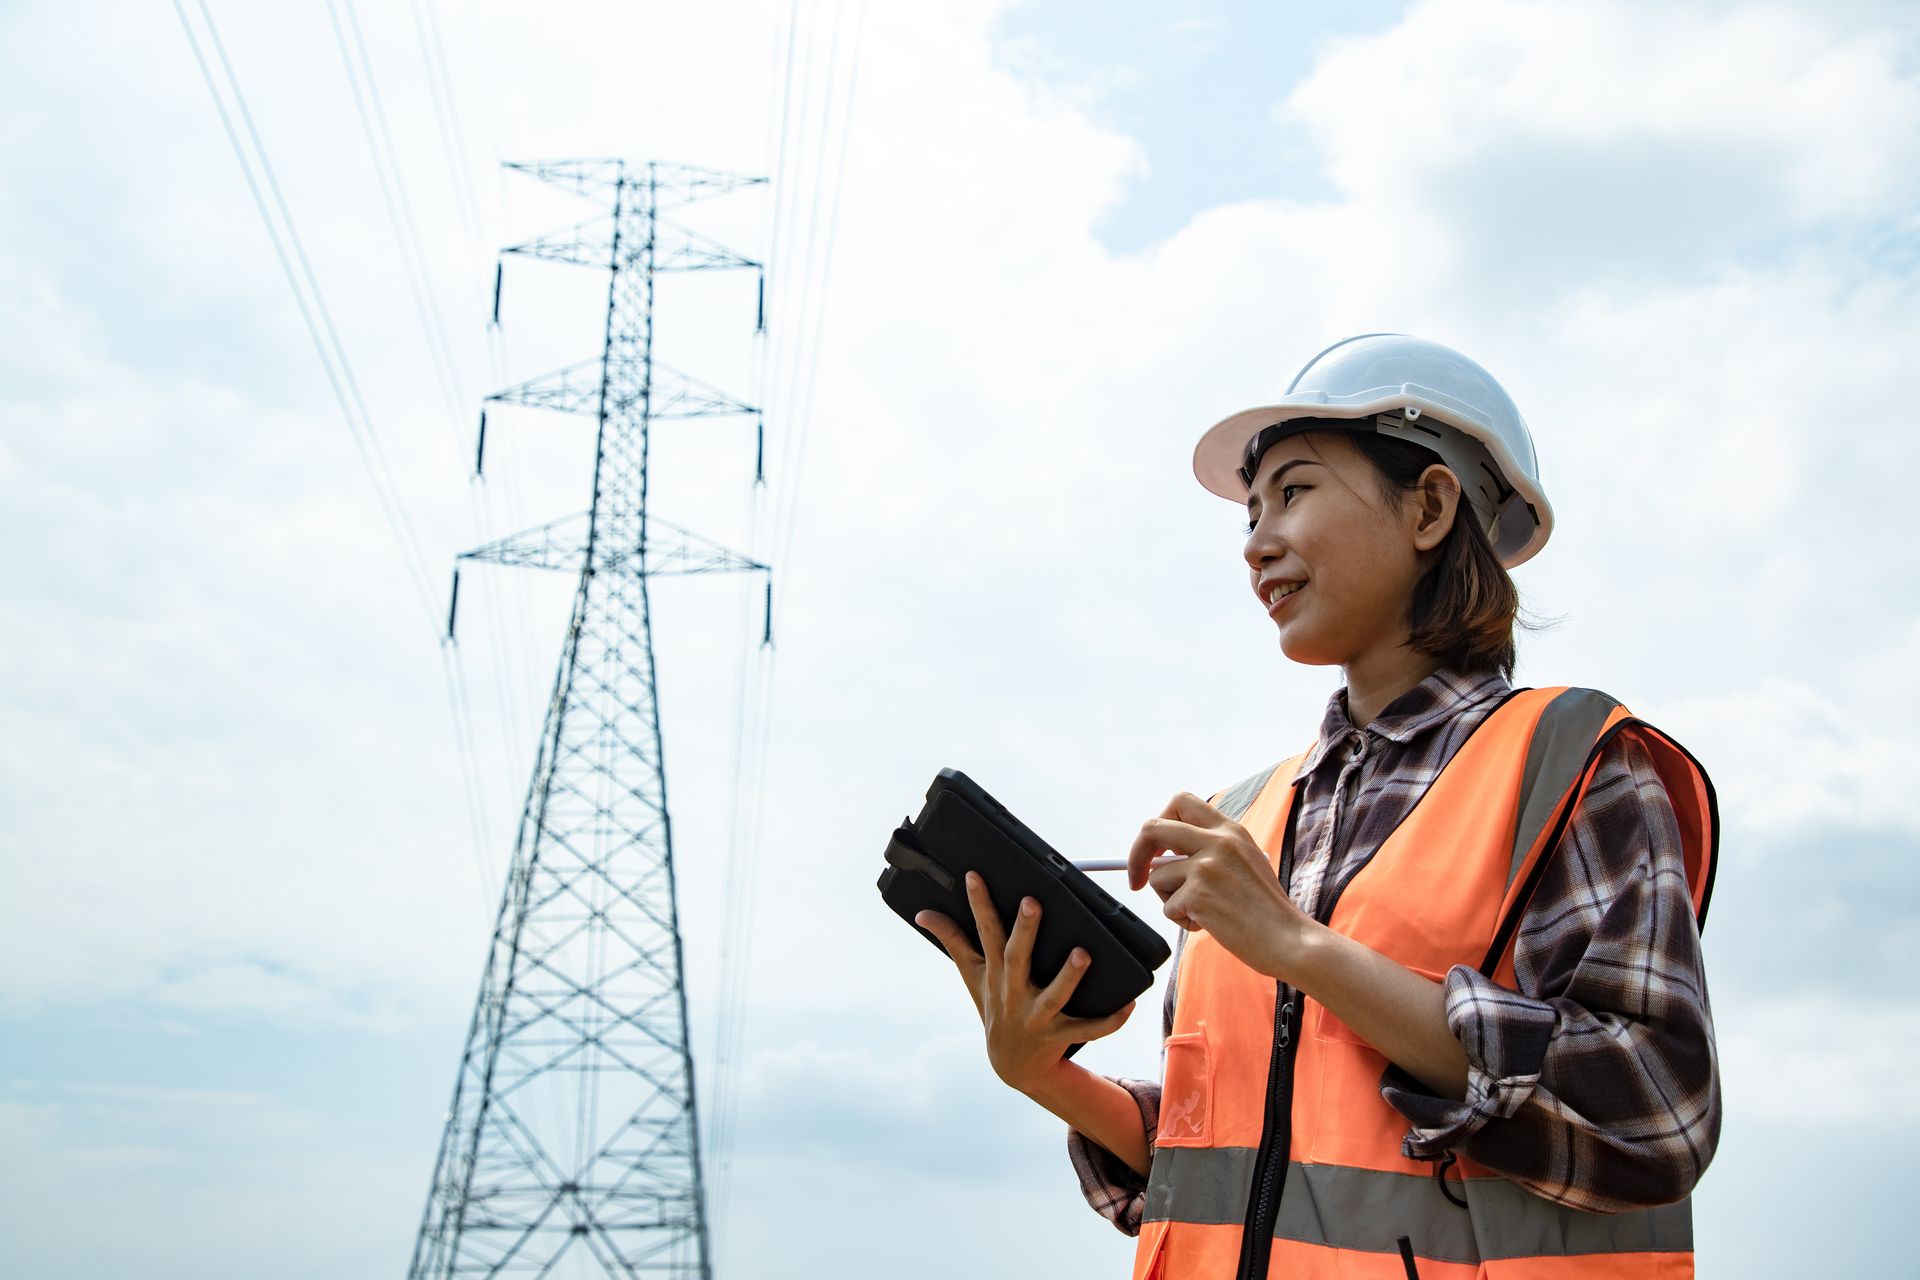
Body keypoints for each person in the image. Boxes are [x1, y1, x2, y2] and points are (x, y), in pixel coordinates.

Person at [915, 334, 1721, 1279]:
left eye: (1293, 493)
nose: (1257, 542)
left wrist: (1299, 947)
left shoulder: (1576, 769)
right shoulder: (1247, 816)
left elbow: (1654, 1116)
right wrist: (1041, 1074)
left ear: (1429, 506)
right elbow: (1229, 1162)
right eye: (1250, 512)